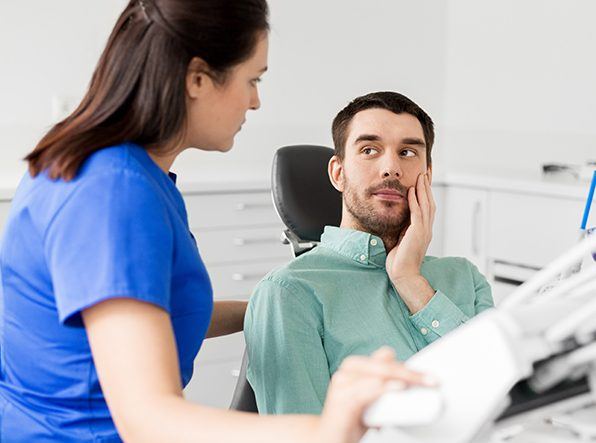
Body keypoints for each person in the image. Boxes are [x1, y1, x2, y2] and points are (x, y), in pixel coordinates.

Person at [0, 2, 433, 443]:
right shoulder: (114, 193)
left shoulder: (132, 175)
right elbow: (147, 420)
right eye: (252, 79)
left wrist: (283, 308)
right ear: (198, 79)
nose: (256, 100)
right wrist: (327, 429)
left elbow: (154, 313)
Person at [244, 91, 495, 415]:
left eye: (407, 152)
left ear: (427, 176)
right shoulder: (290, 293)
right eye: (369, 150)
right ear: (338, 172)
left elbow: (500, 393)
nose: (391, 168)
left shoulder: (465, 277)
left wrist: (409, 280)